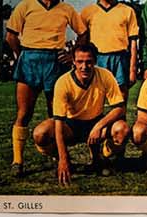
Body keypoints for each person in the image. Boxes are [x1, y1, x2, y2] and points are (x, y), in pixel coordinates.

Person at [5, 0, 86, 177]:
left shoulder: (66, 9)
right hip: (29, 59)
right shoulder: (25, 6)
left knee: (55, 114)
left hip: (54, 62)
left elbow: (83, 33)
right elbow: (10, 36)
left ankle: (59, 155)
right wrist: (22, 56)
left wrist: (72, 54)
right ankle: (17, 161)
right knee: (24, 113)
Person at [34, 42, 130, 181]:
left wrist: (99, 126)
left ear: (95, 61)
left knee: (122, 129)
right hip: (70, 125)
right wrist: (63, 159)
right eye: (80, 62)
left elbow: (120, 108)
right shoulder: (63, 82)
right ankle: (61, 158)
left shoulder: (105, 75)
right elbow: (59, 123)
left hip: (95, 122)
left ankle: (102, 157)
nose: (84, 67)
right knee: (40, 134)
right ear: (73, 61)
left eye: (89, 62)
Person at [78, 0, 140, 90]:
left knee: (121, 92)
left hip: (120, 57)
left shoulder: (127, 11)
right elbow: (82, 41)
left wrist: (133, 70)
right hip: (97, 58)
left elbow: (133, 44)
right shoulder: (88, 11)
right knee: (96, 93)